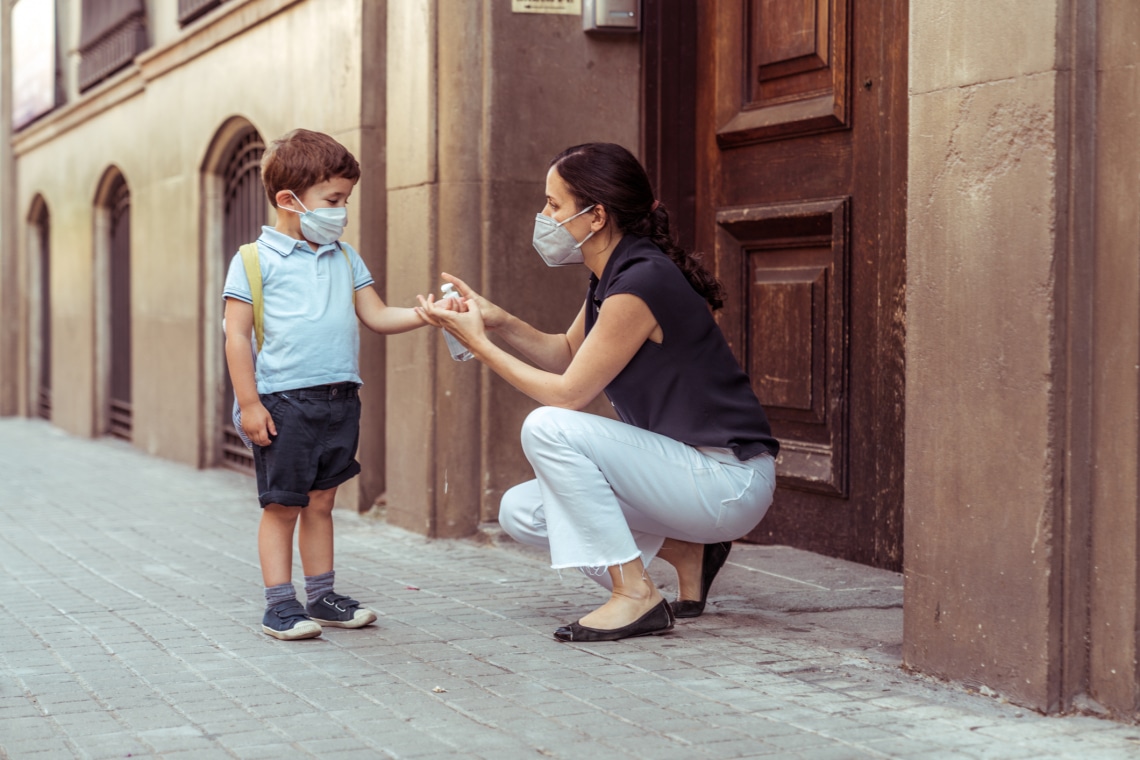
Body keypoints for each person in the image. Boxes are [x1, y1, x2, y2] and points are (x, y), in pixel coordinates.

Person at [416, 142, 779, 642]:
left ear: (596, 216)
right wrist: (495, 322)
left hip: (727, 479)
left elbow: (567, 395)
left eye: (553, 204)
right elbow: (567, 354)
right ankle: (686, 549)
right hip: (683, 474)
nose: (543, 215)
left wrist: (478, 346)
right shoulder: (613, 275)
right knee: (521, 512)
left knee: (548, 425)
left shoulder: (641, 281)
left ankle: (635, 595)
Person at [223, 129, 425, 640]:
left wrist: (431, 314)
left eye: (345, 200)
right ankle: (279, 604)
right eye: (333, 200)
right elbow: (236, 337)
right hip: (284, 403)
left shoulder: (344, 256)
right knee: (283, 504)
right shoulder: (254, 260)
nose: (341, 211)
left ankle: (322, 595)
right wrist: (249, 404)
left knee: (321, 503)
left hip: (340, 399)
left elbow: (377, 315)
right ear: (289, 200)